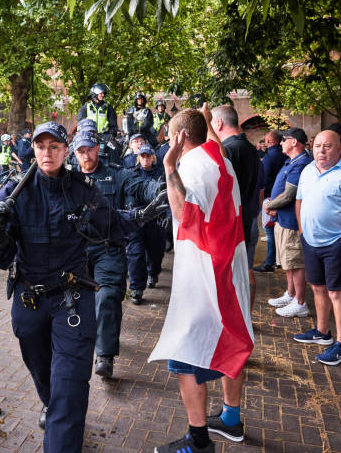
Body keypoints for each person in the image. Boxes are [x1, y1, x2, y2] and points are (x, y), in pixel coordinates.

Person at [0, 122, 163, 453]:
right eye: (40, 146)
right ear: (33, 150)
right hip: (29, 298)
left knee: (70, 385)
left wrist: (143, 215)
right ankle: (51, 403)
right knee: (44, 372)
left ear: (66, 151)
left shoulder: (82, 191)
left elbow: (112, 223)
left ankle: (61, 429)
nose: (47, 152)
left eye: (54, 147)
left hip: (72, 298)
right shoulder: (14, 191)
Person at [150, 108, 253, 452]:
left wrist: (168, 168)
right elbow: (216, 144)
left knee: (187, 354)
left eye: (170, 133)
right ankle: (230, 418)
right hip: (230, 266)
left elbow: (185, 215)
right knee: (231, 341)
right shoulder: (220, 158)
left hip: (206, 273)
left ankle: (197, 442)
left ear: (180, 137)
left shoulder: (191, 167)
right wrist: (206, 120)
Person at [72, 131, 162, 378]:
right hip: (74, 249)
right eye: (80, 151)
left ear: (97, 148)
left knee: (108, 296)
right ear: (73, 152)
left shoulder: (116, 173)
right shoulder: (66, 177)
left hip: (108, 247)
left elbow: (140, 184)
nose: (85, 155)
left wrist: (160, 189)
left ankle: (105, 355)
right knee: (73, 300)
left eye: (89, 149)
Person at [293, 130, 341, 365]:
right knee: (318, 288)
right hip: (311, 241)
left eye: (327, 146)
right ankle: (322, 332)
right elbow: (299, 201)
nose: (321, 151)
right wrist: (303, 231)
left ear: (339, 148)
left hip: (337, 243)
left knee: (336, 293)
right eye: (317, 146)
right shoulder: (307, 170)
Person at [211, 105, 261, 306]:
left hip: (234, 224)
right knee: (244, 268)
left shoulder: (230, 149)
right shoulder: (248, 147)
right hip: (246, 218)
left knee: (236, 273)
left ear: (218, 123)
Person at [265, 128, 312, 317]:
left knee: (295, 262)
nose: (281, 142)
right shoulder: (292, 161)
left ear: (294, 142)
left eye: (285, 139)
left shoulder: (300, 164)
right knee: (287, 261)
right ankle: (291, 293)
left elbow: (289, 195)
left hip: (292, 221)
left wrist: (269, 205)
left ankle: (300, 302)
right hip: (283, 219)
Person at [126, 144, 165, 304]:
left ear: (153, 157)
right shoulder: (131, 174)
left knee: (155, 252)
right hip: (136, 219)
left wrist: (167, 215)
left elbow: (168, 194)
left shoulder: (161, 175)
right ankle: (136, 288)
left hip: (155, 220)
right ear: (138, 158)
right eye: (142, 156)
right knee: (135, 254)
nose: (145, 159)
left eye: (148, 156)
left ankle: (153, 273)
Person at [255, 130, 287, 273]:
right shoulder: (284, 155)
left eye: (267, 140)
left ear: (270, 141)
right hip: (283, 196)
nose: (265, 142)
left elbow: (265, 178)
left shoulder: (269, 157)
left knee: (270, 231)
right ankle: (278, 260)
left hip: (271, 197)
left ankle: (269, 262)